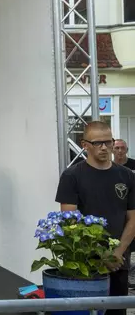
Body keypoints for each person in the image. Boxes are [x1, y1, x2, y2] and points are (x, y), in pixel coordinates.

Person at [55, 121, 135, 315]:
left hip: (118, 262)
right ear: (85, 145)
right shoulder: (72, 176)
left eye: (108, 142)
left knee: (117, 312)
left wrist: (117, 253)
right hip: (85, 263)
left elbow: (133, 219)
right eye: (98, 143)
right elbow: (71, 221)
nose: (104, 147)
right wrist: (102, 255)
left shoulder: (127, 176)